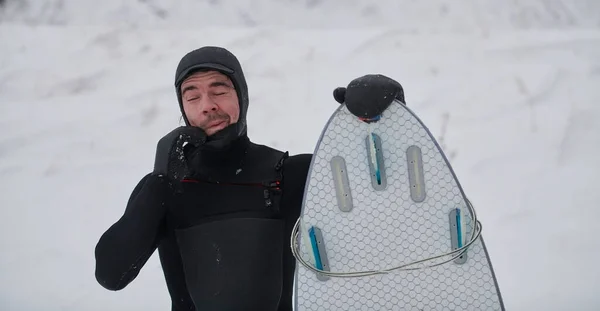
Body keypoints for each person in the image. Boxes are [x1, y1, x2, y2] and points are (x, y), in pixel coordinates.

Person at [94, 46, 405, 311]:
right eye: (192, 96)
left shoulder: (291, 175)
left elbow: (384, 191)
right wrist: (159, 182)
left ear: (241, 96)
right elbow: (112, 274)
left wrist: (385, 120)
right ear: (182, 108)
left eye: (219, 90)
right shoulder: (167, 190)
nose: (208, 105)